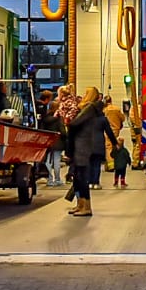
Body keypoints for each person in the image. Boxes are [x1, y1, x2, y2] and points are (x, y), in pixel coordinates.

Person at [64, 89, 109, 217]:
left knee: (82, 178)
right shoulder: (90, 109)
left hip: (83, 147)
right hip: (83, 146)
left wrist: (69, 124)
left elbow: (75, 124)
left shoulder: (89, 108)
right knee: (78, 178)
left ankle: (86, 207)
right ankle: (81, 204)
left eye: (86, 93)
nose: (83, 96)